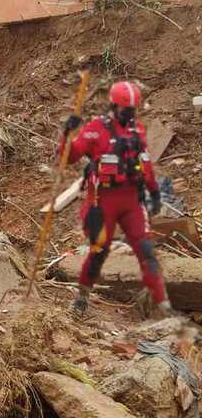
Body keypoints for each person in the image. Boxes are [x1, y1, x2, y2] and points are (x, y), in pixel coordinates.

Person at [63, 80, 171, 317]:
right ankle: (82, 296)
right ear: (113, 106)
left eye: (133, 111)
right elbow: (69, 157)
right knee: (99, 250)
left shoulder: (137, 130)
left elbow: (145, 164)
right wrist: (67, 135)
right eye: (125, 111)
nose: (129, 115)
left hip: (132, 200)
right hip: (103, 201)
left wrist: (154, 193)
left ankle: (163, 306)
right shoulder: (95, 129)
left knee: (146, 251)